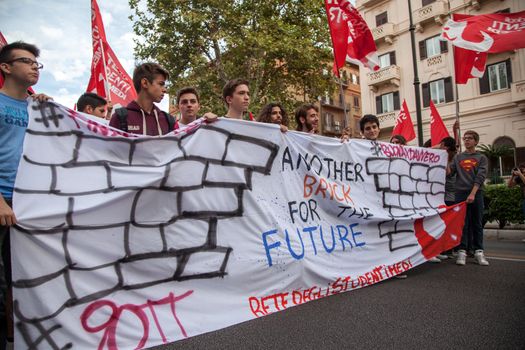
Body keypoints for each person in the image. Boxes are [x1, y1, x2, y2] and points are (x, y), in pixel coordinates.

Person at [0, 40, 52, 350]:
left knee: (21, 283)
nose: (34, 66)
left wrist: (50, 111)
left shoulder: (39, 108)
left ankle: (14, 339)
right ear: (6, 67)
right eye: (26, 61)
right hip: (2, 201)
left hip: (27, 204)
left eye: (37, 63)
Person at [448, 130, 489, 266]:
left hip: (476, 193)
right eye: (465, 138)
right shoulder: (458, 157)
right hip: (460, 194)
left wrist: (472, 193)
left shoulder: (481, 157)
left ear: (476, 141)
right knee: (462, 224)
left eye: (470, 138)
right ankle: (462, 251)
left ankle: (479, 251)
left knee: (477, 223)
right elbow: (449, 173)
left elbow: (480, 177)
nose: (466, 140)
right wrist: (444, 158)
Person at [109, 62, 176, 135]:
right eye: (161, 84)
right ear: (145, 83)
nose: (165, 90)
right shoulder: (120, 117)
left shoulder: (167, 120)